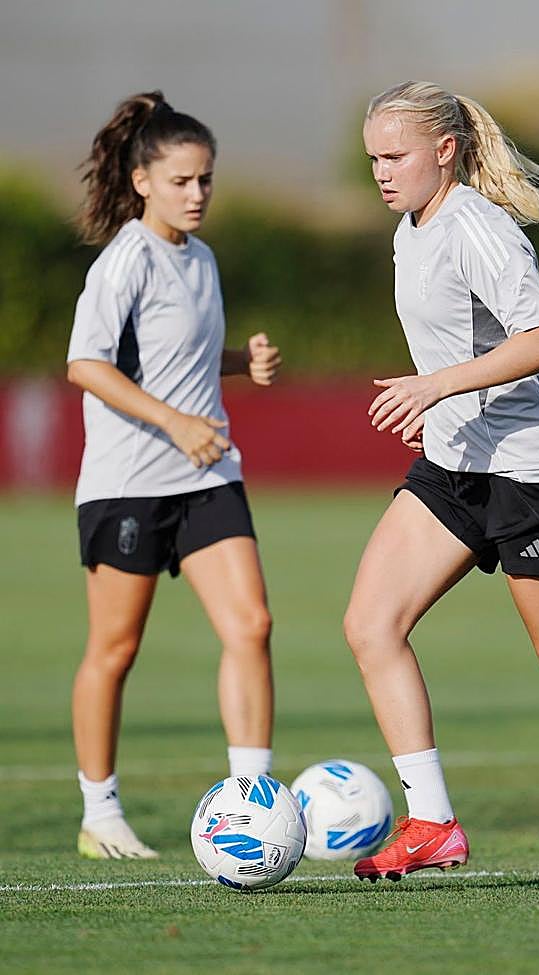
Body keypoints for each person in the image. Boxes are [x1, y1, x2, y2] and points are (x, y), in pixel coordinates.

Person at [344, 81, 539, 883]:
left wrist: (437, 387)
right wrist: (440, 406)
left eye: (395, 155)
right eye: (373, 157)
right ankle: (431, 823)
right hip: (457, 467)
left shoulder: (475, 226)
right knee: (372, 625)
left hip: (534, 475)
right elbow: (461, 348)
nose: (381, 172)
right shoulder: (412, 227)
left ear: (445, 150)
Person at [67, 91, 282, 859]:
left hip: (207, 475)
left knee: (251, 625)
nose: (197, 194)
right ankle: (100, 814)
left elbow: (174, 356)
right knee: (115, 649)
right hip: (129, 481)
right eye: (181, 181)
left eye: (206, 180)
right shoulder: (124, 260)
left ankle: (253, 801)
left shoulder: (203, 258)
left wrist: (240, 363)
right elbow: (86, 363)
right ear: (142, 181)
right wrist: (176, 422)